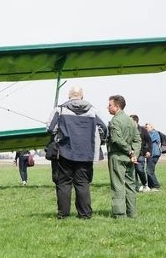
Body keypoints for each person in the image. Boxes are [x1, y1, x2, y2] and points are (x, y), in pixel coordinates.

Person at [47, 86, 109, 219]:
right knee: (83, 183)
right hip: (86, 153)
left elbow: (50, 129)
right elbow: (104, 128)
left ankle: (63, 214)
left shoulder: (60, 109)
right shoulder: (93, 110)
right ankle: (85, 214)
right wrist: (99, 141)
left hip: (65, 152)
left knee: (64, 183)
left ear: (69, 96)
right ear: (82, 96)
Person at [107, 95, 141, 218]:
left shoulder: (115, 121)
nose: (108, 107)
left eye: (110, 105)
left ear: (117, 106)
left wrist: (130, 152)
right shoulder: (131, 121)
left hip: (117, 156)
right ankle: (132, 213)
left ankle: (119, 214)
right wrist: (134, 154)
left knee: (118, 185)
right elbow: (138, 140)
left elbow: (116, 139)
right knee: (130, 186)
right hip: (130, 159)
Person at [130, 114, 153, 192]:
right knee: (133, 172)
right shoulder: (128, 129)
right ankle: (135, 187)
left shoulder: (142, 130)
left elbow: (149, 141)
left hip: (141, 154)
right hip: (131, 154)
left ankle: (144, 184)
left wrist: (149, 151)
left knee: (140, 170)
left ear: (135, 121)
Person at [145, 123, 162, 191]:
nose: (146, 128)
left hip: (154, 154)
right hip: (151, 155)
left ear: (152, 127)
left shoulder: (154, 133)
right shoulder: (150, 133)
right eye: (145, 127)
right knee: (150, 170)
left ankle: (156, 186)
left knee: (149, 171)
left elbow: (149, 140)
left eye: (147, 127)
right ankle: (150, 186)